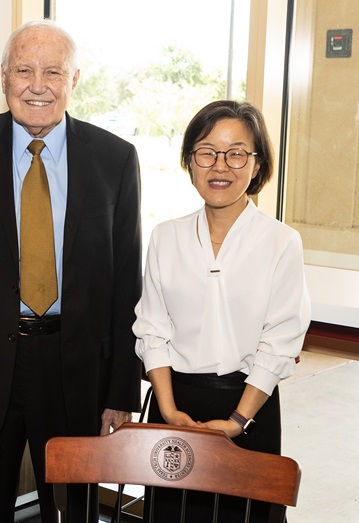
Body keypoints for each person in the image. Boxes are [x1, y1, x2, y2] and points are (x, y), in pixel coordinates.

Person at [0, 19, 143, 521]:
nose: (37, 85)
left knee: (74, 510)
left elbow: (128, 284)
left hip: (78, 370)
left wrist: (121, 391)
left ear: (75, 80)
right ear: (3, 78)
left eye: (53, 72)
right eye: (24, 70)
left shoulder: (115, 159)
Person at [133, 99, 311, 521]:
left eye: (236, 154)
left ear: (257, 165)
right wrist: (170, 410)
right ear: (190, 161)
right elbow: (152, 330)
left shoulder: (281, 242)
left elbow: (280, 341)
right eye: (207, 151)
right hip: (175, 404)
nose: (220, 166)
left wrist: (237, 421)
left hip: (249, 405)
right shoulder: (166, 237)